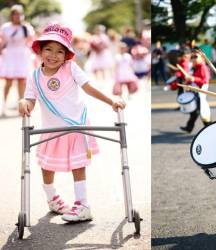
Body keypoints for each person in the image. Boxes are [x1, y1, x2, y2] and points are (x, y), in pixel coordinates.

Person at [18, 24, 125, 222]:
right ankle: (53, 200)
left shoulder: (70, 68)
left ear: (66, 55)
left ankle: (83, 205)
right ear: (40, 50)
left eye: (60, 51)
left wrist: (112, 101)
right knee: (47, 166)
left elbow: (88, 87)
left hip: (76, 126)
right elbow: (31, 101)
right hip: (51, 129)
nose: (53, 55)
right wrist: (24, 102)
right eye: (48, 49)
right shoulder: (34, 77)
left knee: (78, 164)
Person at [0, 5, 34, 116]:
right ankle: (4, 106)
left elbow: (30, 41)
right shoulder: (6, 27)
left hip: (22, 55)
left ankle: (21, 106)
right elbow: (3, 41)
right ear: (12, 15)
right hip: (9, 55)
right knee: (8, 82)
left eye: (19, 14)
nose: (17, 16)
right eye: (15, 14)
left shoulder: (26, 28)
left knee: (22, 82)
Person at [180, 52, 211, 133]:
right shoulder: (195, 67)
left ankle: (209, 127)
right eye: (192, 57)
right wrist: (188, 82)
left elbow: (205, 81)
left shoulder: (203, 67)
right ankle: (189, 127)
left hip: (200, 92)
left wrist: (193, 79)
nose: (193, 58)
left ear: (202, 58)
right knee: (195, 111)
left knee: (201, 111)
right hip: (195, 91)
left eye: (195, 57)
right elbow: (192, 79)